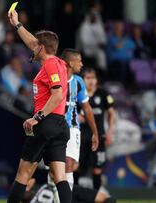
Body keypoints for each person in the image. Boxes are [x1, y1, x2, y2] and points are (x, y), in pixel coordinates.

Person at [7, 10, 71, 203]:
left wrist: (37, 117)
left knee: (23, 175)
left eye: (36, 46)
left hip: (45, 123)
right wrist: (17, 25)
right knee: (60, 177)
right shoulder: (59, 63)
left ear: (42, 48)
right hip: (60, 125)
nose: (32, 48)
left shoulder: (50, 65)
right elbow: (33, 43)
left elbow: (57, 94)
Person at [57, 49, 99, 192]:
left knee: (69, 163)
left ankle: (65, 199)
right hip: (54, 127)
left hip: (72, 126)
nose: (81, 64)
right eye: (79, 61)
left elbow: (87, 109)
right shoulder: (55, 79)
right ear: (70, 63)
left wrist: (95, 132)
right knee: (55, 168)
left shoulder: (79, 82)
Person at [79, 68, 115, 190]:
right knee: (77, 166)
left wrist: (110, 131)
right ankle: (75, 196)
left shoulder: (103, 94)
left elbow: (111, 113)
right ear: (82, 79)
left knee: (97, 169)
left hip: (99, 136)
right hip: (81, 135)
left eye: (93, 78)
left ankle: (96, 196)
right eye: (88, 78)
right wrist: (76, 115)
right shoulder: (78, 93)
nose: (91, 81)